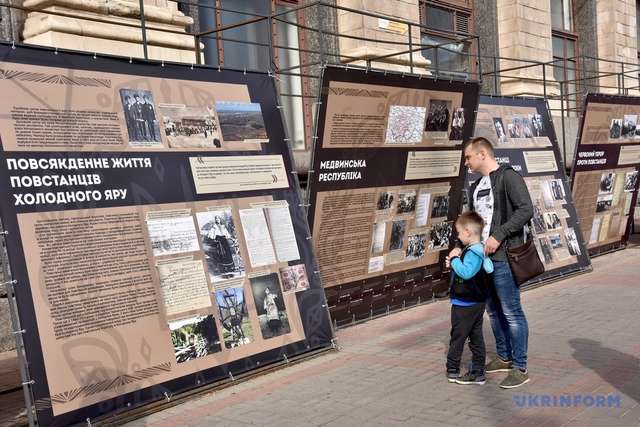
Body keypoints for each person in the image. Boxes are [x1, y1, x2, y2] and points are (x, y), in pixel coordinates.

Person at [463, 137, 533, 389]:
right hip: (482, 261)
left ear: (482, 154)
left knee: (511, 312)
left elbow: (526, 209)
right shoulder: (476, 186)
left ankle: (520, 367)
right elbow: (473, 222)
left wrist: (499, 234)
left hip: (504, 258)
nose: (466, 162)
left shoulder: (508, 177)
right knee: (493, 312)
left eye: (468, 157)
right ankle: (504, 357)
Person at [445, 212, 494, 385]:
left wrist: (454, 259)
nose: (457, 237)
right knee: (475, 337)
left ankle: (452, 369)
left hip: (465, 303)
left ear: (467, 232)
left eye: (458, 233)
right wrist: (455, 261)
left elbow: (466, 273)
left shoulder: (474, 252)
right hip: (476, 302)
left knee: (458, 336)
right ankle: (478, 372)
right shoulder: (477, 249)